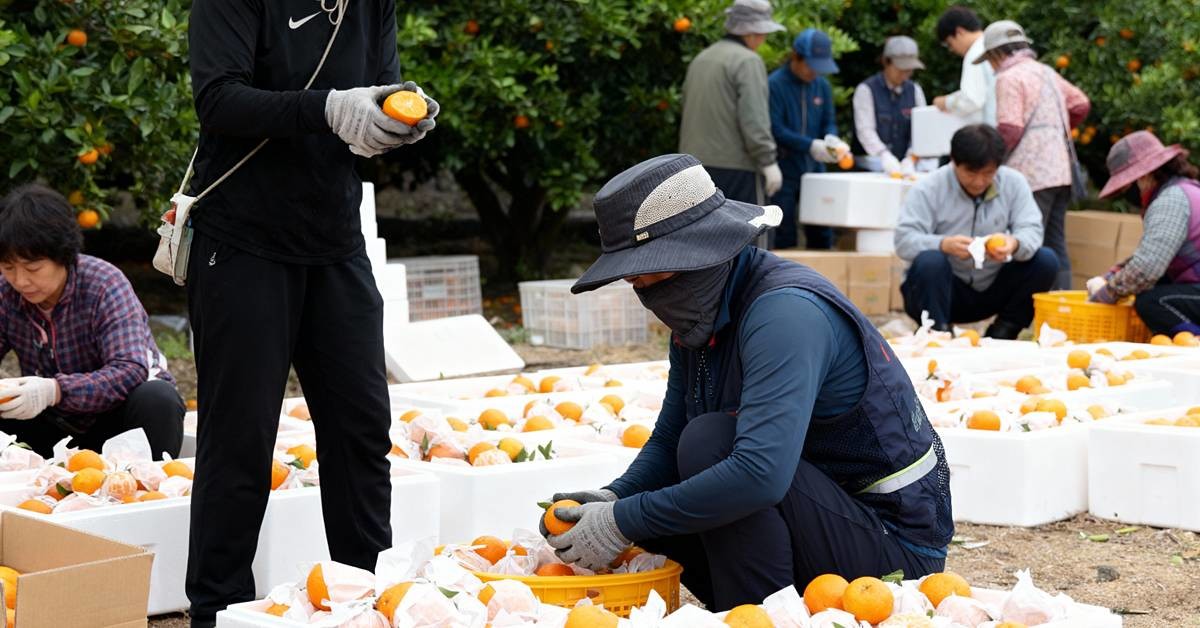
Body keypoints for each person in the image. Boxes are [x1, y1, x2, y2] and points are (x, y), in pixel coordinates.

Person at [538, 153, 952, 610]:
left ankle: (761, 614)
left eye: (644, 273)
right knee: (668, 487)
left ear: (692, 254)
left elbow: (760, 475)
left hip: (892, 549)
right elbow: (669, 439)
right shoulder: (702, 314)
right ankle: (748, 610)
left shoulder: (786, 315)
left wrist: (623, 519)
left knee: (709, 445)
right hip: (820, 515)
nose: (642, 291)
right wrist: (613, 498)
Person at [184, 1, 438, 625]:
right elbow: (218, 100)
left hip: (335, 239)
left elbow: (381, 89)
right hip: (242, 239)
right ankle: (218, 611)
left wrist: (398, 115)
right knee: (240, 440)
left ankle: (368, 601)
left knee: (361, 431)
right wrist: (328, 107)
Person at [0, 184, 183, 459]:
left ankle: (146, 481)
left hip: (114, 421)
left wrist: (55, 390)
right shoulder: (5, 293)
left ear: (63, 255)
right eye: (8, 267)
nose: (21, 280)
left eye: (33, 268)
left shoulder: (104, 284)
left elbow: (130, 369)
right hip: (53, 424)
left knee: (157, 398)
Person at [895, 125, 1058, 338]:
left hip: (991, 288)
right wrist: (943, 244)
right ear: (954, 161)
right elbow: (904, 240)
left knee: (1045, 260)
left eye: (988, 174)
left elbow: (1031, 229)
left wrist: (1014, 244)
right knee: (931, 261)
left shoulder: (1014, 183)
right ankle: (938, 332)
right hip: (943, 290)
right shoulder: (928, 188)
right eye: (971, 173)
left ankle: (1004, 331)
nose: (979, 182)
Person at [980, 20, 1090, 291]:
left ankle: (1029, 304)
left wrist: (989, 161)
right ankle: (1061, 302)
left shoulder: (1008, 78)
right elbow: (1080, 104)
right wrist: (1053, 131)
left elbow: (1010, 129)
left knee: (1027, 240)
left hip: (1031, 173)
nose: (990, 67)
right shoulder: (1046, 72)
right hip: (1061, 169)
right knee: (1055, 240)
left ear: (996, 54)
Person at [1088, 132, 1200, 336]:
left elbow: (1146, 269)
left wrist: (1108, 293)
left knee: (1150, 302)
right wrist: (1113, 274)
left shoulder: (1170, 201)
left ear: (1144, 176)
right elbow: (1154, 253)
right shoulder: (1183, 190)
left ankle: (1193, 343)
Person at [679, 0, 785, 208]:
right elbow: (754, 118)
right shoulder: (748, 61)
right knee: (748, 227)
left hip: (693, 166)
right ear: (752, 32)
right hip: (737, 167)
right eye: (763, 33)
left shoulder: (701, 58)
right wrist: (768, 161)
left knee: (706, 228)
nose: (764, 38)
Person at [768, 28, 848, 249]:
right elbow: (776, 129)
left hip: (815, 169)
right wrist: (810, 145)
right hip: (784, 167)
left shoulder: (822, 86)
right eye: (811, 65)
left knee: (822, 230)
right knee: (783, 233)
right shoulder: (775, 84)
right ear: (796, 57)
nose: (815, 72)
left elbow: (828, 120)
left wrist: (831, 139)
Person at [852, 36, 927, 175]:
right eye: (901, 69)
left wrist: (911, 157)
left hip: (905, 168)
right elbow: (865, 130)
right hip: (869, 168)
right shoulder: (866, 90)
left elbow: (921, 129)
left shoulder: (915, 90)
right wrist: (883, 155)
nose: (905, 74)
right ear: (886, 62)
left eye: (909, 70)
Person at [932, 6, 995, 126]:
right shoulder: (993, 44)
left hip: (993, 128)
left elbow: (972, 100)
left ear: (959, 32)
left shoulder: (975, 53)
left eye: (949, 44)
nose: (951, 50)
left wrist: (946, 102)